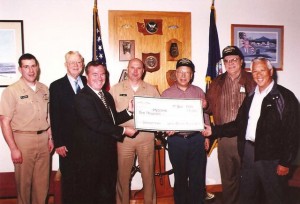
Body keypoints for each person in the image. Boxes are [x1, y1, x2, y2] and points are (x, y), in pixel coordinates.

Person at [202, 57, 299, 204]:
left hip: (271, 157)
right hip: (248, 153)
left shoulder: (284, 97)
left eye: (262, 70)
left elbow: (292, 132)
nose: (258, 75)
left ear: (271, 71)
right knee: (247, 195)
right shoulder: (251, 96)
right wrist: (214, 131)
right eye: (255, 71)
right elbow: (238, 125)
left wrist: (285, 162)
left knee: (275, 197)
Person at [71, 61, 137, 204]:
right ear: (86, 76)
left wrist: (128, 111)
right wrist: (124, 130)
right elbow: (96, 124)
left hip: (107, 154)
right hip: (90, 157)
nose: (99, 78)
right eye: (95, 74)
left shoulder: (106, 95)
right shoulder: (82, 97)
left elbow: (112, 120)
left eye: (102, 74)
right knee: (92, 194)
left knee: (107, 192)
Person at [0, 53, 54, 204]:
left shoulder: (44, 89)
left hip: (43, 139)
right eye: (26, 67)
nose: (30, 70)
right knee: (24, 185)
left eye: (33, 66)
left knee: (42, 184)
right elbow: (4, 121)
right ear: (20, 69)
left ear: (37, 67)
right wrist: (13, 148)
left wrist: (50, 137)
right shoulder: (12, 91)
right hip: (23, 140)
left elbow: (48, 115)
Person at [205, 46, 256, 204]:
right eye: (226, 61)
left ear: (241, 62)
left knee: (249, 178)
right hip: (225, 138)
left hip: (247, 139)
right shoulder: (216, 82)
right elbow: (208, 108)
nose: (230, 63)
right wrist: (203, 104)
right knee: (228, 179)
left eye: (234, 60)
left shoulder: (253, 80)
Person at [110, 58, 160, 204]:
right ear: (127, 69)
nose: (136, 71)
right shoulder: (116, 89)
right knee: (123, 177)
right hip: (124, 139)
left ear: (143, 71)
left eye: (139, 68)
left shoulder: (151, 90)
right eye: (133, 67)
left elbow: (160, 113)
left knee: (148, 177)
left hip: (146, 138)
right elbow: (111, 117)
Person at [161, 58, 209, 204]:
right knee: (180, 177)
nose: (183, 75)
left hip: (197, 139)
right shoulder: (166, 94)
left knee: (197, 177)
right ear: (176, 74)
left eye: (187, 73)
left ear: (192, 75)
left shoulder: (199, 92)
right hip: (176, 140)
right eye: (180, 72)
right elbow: (162, 117)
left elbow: (204, 114)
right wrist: (165, 129)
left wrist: (206, 136)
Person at [49, 51, 87, 203]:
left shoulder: (89, 81)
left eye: (78, 62)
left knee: (87, 180)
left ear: (83, 64)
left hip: (88, 143)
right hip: (68, 144)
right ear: (66, 65)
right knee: (70, 182)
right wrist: (58, 143)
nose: (76, 65)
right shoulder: (56, 86)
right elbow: (55, 115)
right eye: (72, 62)